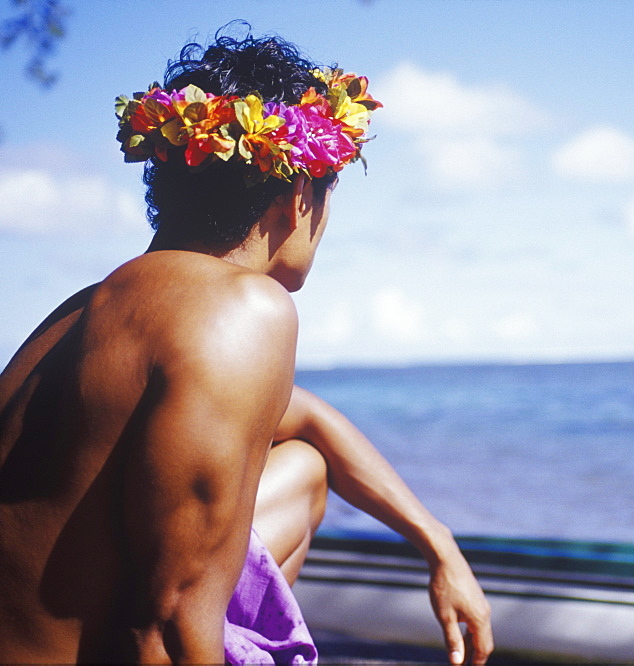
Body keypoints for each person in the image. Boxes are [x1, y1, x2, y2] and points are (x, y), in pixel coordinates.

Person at [0, 27, 493, 664]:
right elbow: (166, 624)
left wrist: (438, 545)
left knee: (307, 469)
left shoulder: (80, 314)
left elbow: (308, 419)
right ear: (297, 200)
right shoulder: (243, 308)